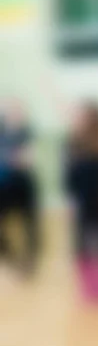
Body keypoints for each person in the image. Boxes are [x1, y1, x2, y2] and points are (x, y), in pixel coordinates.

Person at [64, 102, 98, 304]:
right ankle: (87, 288)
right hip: (82, 199)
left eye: (86, 116)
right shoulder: (73, 141)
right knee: (81, 243)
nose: (81, 119)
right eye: (80, 116)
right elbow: (69, 172)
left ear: (96, 119)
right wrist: (70, 200)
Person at [0, 98, 39, 276]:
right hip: (4, 185)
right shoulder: (3, 132)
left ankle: (29, 261)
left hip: (23, 184)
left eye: (17, 110)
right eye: (10, 110)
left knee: (29, 223)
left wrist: (14, 158)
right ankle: (9, 256)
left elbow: (27, 159)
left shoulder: (27, 132)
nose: (13, 114)